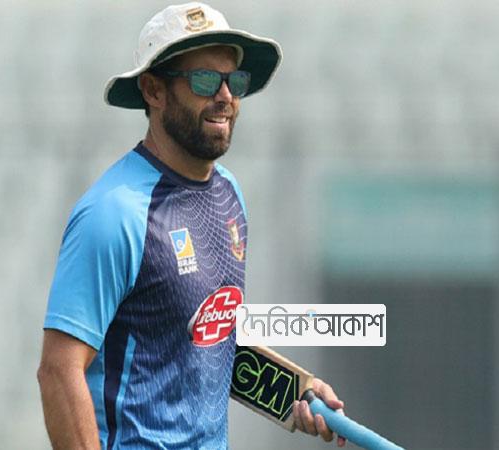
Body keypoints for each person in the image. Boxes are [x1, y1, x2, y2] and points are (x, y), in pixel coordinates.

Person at [37, 3, 347, 449]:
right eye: (204, 80)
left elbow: (206, 345)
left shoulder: (229, 194)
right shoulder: (114, 213)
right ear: (153, 90)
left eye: (234, 81)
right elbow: (58, 371)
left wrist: (294, 393)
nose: (225, 96)